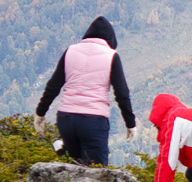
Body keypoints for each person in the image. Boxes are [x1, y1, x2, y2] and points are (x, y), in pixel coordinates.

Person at [33, 16, 137, 166]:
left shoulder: (70, 51)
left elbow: (53, 86)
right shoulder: (111, 56)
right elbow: (122, 94)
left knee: (74, 169)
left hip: (66, 120)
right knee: (97, 174)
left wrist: (40, 113)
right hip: (93, 121)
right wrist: (130, 123)